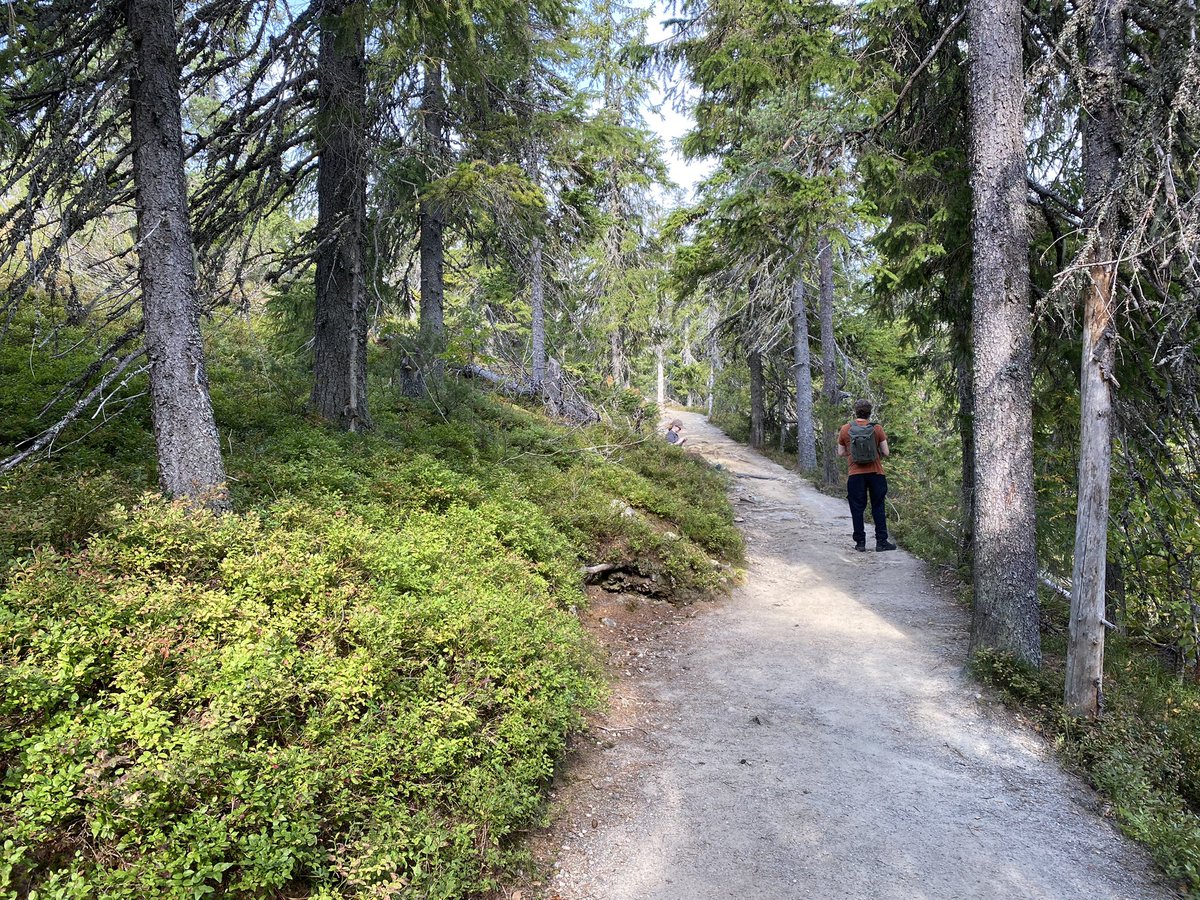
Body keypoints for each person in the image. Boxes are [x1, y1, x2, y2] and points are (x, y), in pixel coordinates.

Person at [836, 400, 897, 553]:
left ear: (855, 411)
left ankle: (860, 543)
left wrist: (854, 453)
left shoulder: (845, 429)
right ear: (870, 412)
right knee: (878, 506)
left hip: (855, 474)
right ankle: (881, 542)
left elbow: (841, 452)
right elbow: (886, 452)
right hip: (876, 473)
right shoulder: (876, 428)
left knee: (857, 508)